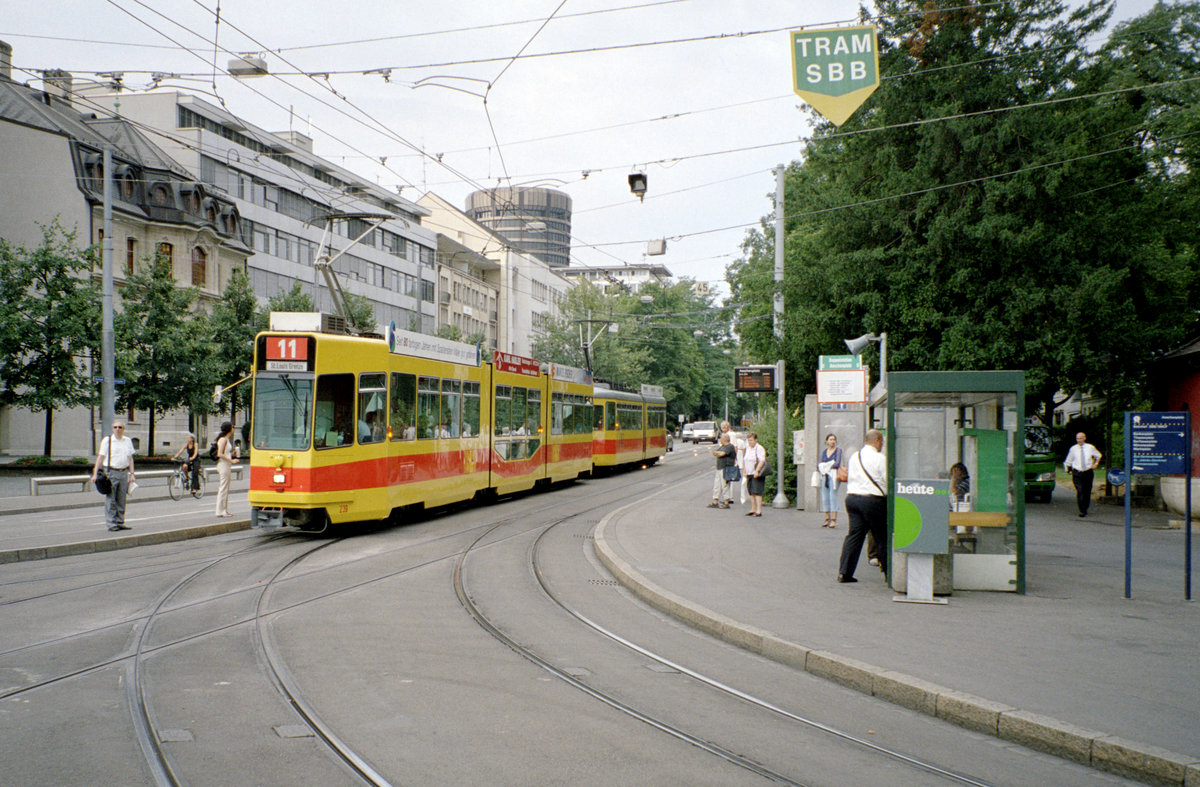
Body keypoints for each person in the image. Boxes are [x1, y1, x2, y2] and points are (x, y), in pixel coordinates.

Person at [838, 429, 888, 583]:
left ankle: (844, 573)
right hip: (873, 501)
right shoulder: (880, 458)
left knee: (854, 536)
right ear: (878, 440)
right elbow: (886, 480)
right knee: (881, 536)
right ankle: (889, 572)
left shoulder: (855, 456)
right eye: (881, 442)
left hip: (852, 499)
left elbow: (851, 476)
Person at [91, 420, 136, 532]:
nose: (117, 429)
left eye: (120, 427)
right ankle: (111, 523)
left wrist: (132, 474)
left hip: (123, 472)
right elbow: (100, 457)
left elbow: (130, 459)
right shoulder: (108, 441)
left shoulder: (127, 441)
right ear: (112, 428)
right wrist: (95, 473)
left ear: (123, 429)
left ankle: (120, 522)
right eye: (115, 427)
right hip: (111, 472)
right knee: (111, 499)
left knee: (121, 498)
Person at [1064, 432, 1102, 517]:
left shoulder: (1090, 447)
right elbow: (1068, 461)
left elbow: (1098, 455)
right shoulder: (1073, 449)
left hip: (1088, 471)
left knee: (1087, 491)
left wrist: (1095, 464)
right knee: (1080, 491)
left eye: (1081, 438)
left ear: (1084, 438)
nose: (1079, 440)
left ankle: (1085, 507)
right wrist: (1069, 470)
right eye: (1077, 439)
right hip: (1077, 472)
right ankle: (1082, 510)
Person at [214, 421, 239, 518]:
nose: (233, 429)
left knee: (225, 488)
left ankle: (224, 510)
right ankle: (221, 511)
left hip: (226, 465)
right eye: (232, 427)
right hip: (224, 465)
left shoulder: (225, 439)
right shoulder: (223, 440)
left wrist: (232, 455)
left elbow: (224, 453)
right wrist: (231, 460)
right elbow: (220, 454)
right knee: (223, 488)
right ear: (229, 429)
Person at [817, 433, 843, 528]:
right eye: (831, 439)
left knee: (833, 496)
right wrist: (827, 466)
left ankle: (834, 520)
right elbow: (819, 464)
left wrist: (826, 466)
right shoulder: (824, 452)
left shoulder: (838, 451)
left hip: (834, 476)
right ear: (827, 441)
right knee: (825, 497)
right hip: (825, 475)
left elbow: (837, 463)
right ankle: (827, 518)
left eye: (834, 439)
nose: (832, 441)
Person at [741, 432, 767, 517]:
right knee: (751, 492)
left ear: (756, 440)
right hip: (748, 473)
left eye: (751, 440)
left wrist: (757, 471)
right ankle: (753, 509)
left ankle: (758, 511)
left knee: (757, 491)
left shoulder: (759, 448)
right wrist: (744, 471)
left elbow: (762, 460)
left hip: (756, 473)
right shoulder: (748, 448)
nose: (750, 442)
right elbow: (745, 460)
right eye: (748, 440)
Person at [709, 433, 737, 508]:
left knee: (725, 485)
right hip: (719, 468)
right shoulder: (722, 447)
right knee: (717, 485)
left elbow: (722, 454)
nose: (720, 440)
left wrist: (718, 453)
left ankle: (726, 502)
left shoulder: (730, 446)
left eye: (721, 438)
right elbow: (715, 453)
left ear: (724, 439)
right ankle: (715, 501)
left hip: (726, 468)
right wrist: (718, 453)